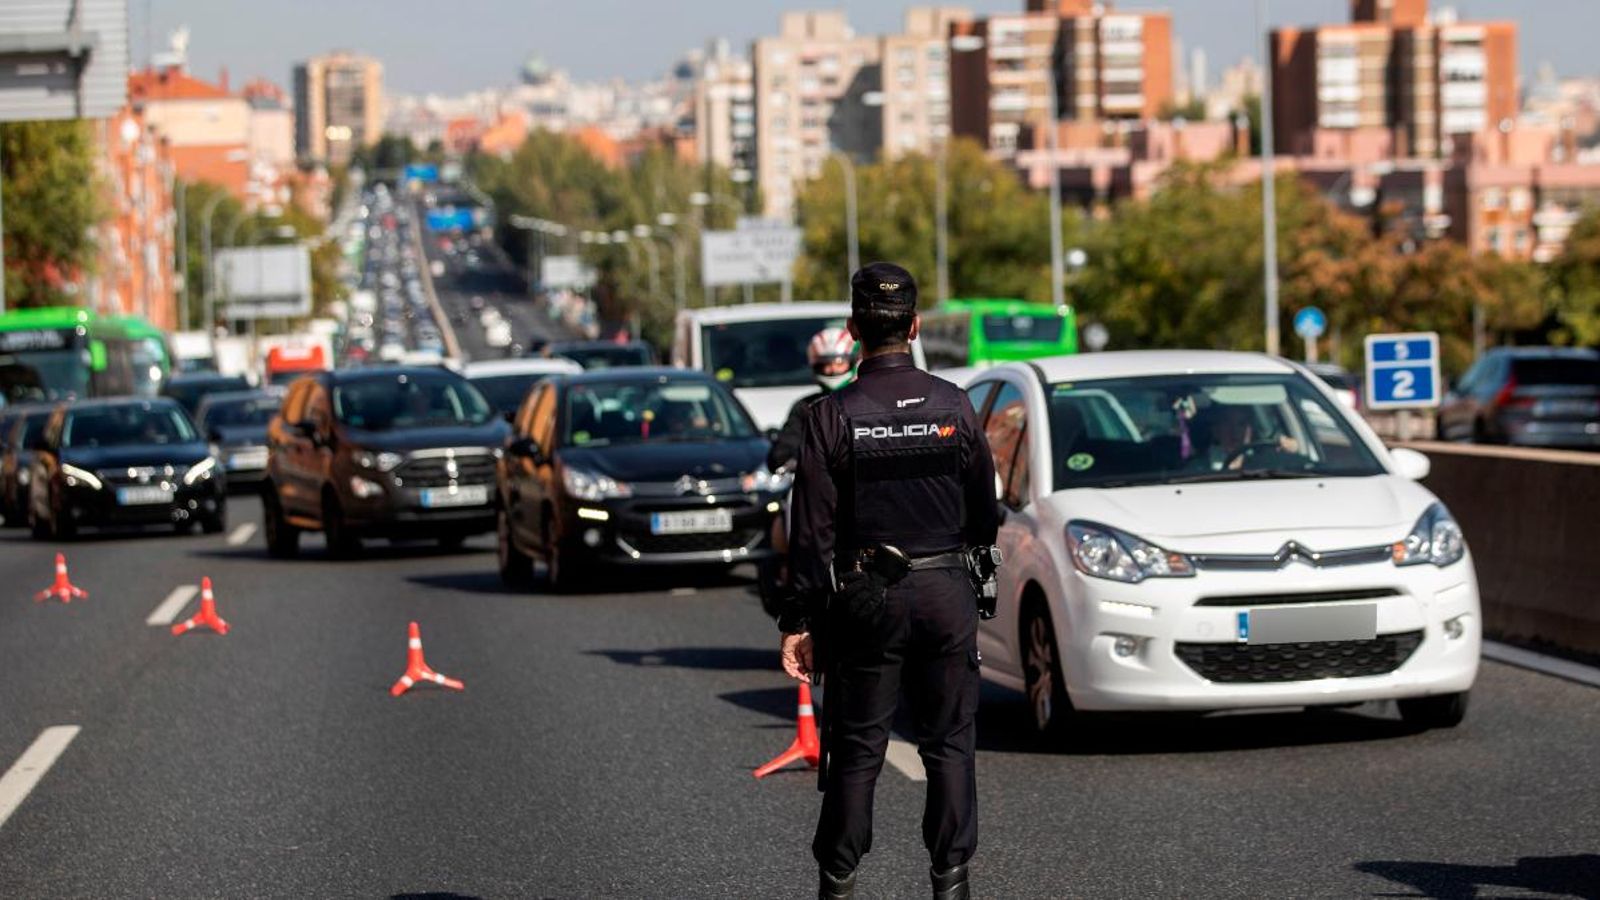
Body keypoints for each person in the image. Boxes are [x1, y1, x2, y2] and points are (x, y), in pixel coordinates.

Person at [778, 262, 1000, 900]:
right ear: (915, 326)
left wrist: (799, 622)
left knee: (856, 751)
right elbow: (983, 515)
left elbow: (811, 535)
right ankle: (951, 883)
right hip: (945, 592)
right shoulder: (954, 405)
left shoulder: (829, 417)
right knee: (950, 747)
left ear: (853, 330)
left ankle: (839, 883)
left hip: (865, 598)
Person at [766, 327, 859, 473]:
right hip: (821, 487)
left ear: (853, 362)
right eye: (826, 365)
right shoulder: (806, 407)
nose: (832, 370)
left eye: (839, 363)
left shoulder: (867, 401)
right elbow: (781, 455)